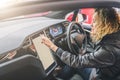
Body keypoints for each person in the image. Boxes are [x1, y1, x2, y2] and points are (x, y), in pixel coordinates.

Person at [41, 8, 120, 80]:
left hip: (98, 76)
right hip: (100, 71)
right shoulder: (112, 37)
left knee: (73, 64)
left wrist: (52, 46)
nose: (92, 24)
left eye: (95, 21)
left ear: (105, 24)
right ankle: (59, 73)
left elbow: (78, 62)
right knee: (71, 63)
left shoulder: (109, 51)